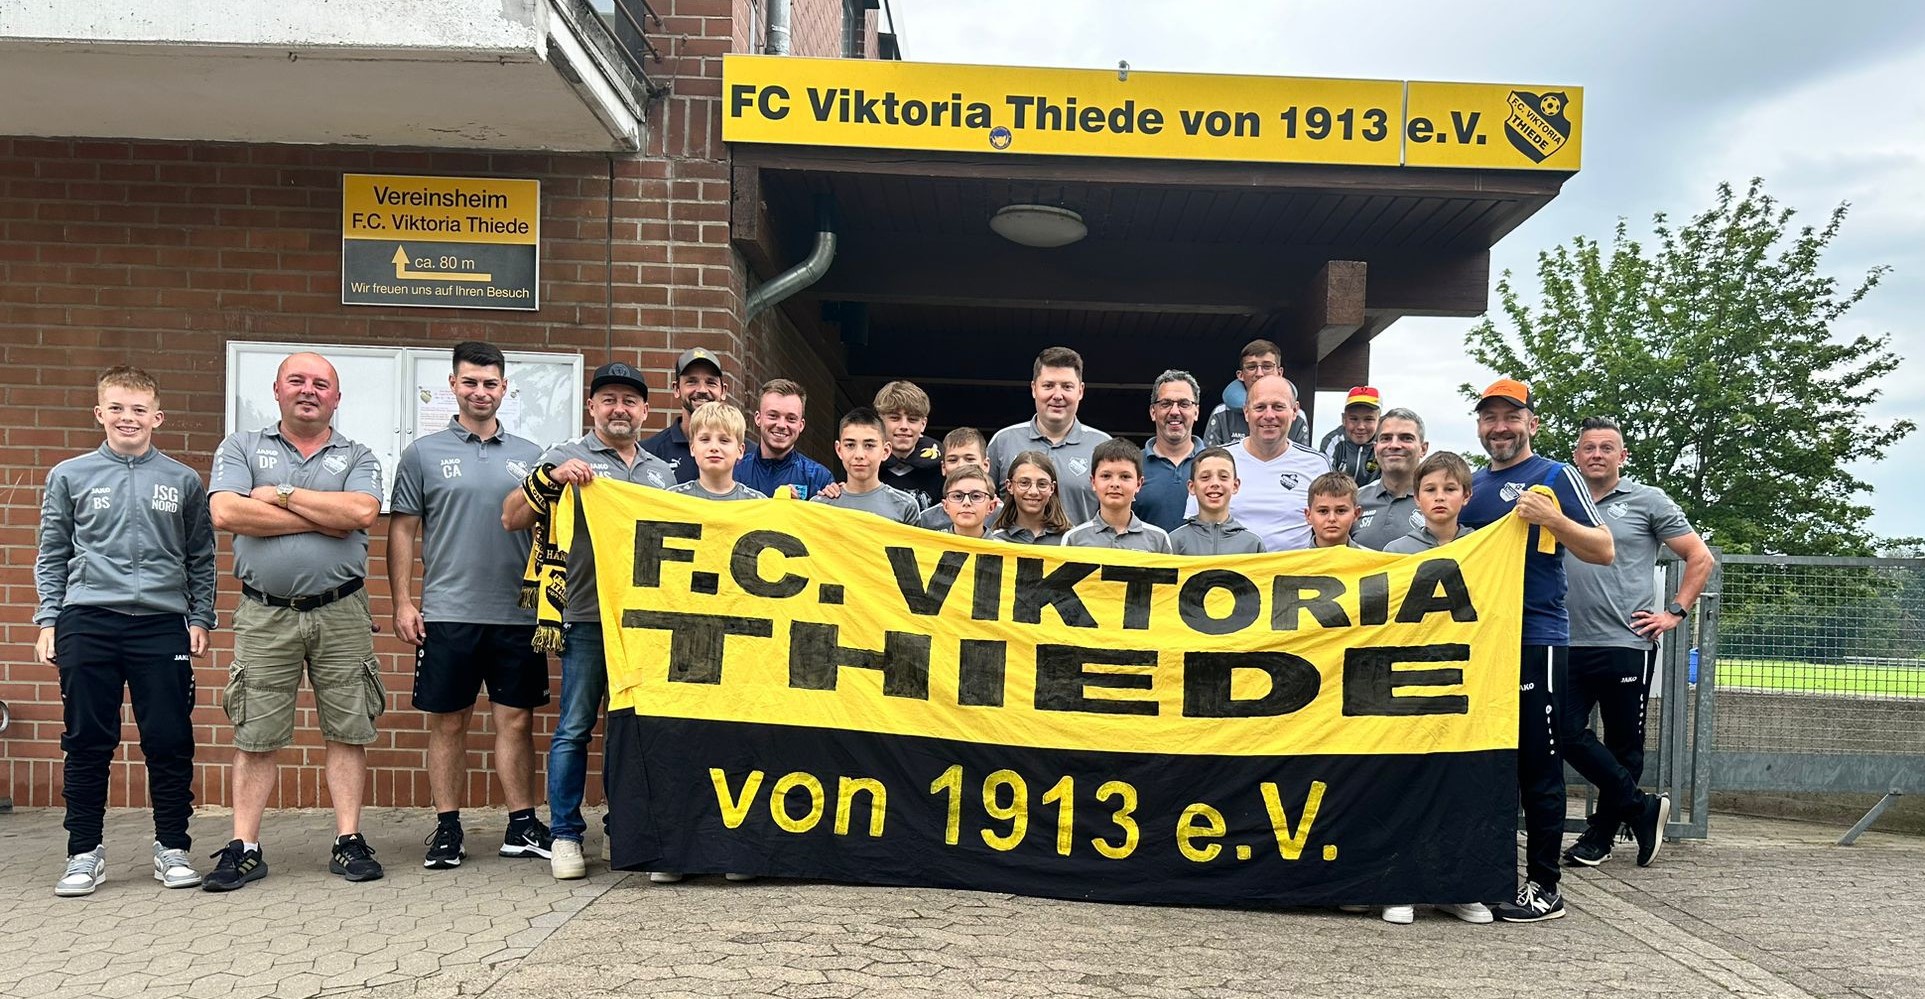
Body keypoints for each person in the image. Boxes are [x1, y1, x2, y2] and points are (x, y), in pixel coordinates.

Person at [205, 352, 385, 890]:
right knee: (256, 734)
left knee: (348, 730)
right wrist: (319, 512)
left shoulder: (359, 454)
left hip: (343, 610)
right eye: (298, 381)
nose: (309, 390)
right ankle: (245, 847)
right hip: (265, 613)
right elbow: (226, 513)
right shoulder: (241, 446)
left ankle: (348, 840)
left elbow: (359, 515)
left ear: (336, 396)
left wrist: (279, 495)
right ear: (278, 389)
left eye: (321, 383)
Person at [36, 366, 215, 897]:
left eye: (138, 409)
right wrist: (49, 619)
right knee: (88, 742)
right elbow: (52, 553)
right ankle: (83, 854)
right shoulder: (70, 475)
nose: (127, 418)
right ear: (99, 413)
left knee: (168, 739)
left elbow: (200, 555)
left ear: (157, 417)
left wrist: (200, 617)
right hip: (87, 621)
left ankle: (173, 848)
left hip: (161, 625)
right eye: (116, 407)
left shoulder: (182, 479)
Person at [504, 361, 674, 880]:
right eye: (609, 399)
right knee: (575, 728)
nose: (619, 408)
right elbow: (511, 516)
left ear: (645, 410)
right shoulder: (562, 457)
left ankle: (631, 829)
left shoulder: (660, 473)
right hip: (583, 614)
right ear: (592, 407)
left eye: (629, 400)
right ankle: (565, 835)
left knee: (637, 731)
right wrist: (550, 480)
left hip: (644, 623)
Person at [1457, 378, 1617, 923]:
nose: (1500, 427)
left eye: (1510, 416)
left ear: (1532, 422)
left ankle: (1546, 886)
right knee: (1490, 763)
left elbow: (1603, 549)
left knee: (1539, 764)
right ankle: (1491, 874)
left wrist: (1553, 520)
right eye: (1489, 418)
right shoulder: (1471, 485)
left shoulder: (1555, 476)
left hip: (1536, 639)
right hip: (1482, 643)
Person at [389, 342, 552, 872]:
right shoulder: (422, 454)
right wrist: (403, 602)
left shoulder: (532, 455)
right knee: (448, 724)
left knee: (516, 722)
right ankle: (448, 828)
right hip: (447, 612)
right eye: (469, 383)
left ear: (505, 389)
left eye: (490, 384)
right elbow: (404, 531)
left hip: (517, 613)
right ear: (453, 387)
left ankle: (522, 826)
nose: (479, 392)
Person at [1561, 416, 1715, 868]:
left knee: (1624, 745)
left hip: (1626, 642)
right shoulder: (1559, 501)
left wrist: (1676, 612)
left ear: (1622, 456)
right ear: (1576, 455)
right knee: (1564, 733)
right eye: (1588, 447)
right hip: (1565, 642)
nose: (1596, 454)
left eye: (1607, 447)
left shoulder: (1647, 501)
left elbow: (1699, 556)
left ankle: (1601, 836)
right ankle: (1642, 807)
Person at [1188, 375, 1327, 552]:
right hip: (1227, 574)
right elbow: (1194, 527)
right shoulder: (1216, 460)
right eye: (1260, 407)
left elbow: (1331, 528)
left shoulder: (1317, 464)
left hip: (1291, 576)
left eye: (1278, 407)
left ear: (1294, 411)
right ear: (1246, 412)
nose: (1269, 415)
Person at [985, 346, 1111, 525]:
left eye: (1067, 387)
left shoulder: (1102, 446)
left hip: (1076, 553)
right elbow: (981, 505)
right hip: (1015, 551)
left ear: (1080, 391)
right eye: (1048, 386)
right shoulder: (1003, 441)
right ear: (1034, 388)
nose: (1057, 395)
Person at [1061, 439, 1172, 553]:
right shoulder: (1074, 539)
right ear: (1093, 482)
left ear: (1138, 484)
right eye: (1106, 476)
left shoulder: (1158, 539)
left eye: (1125, 476)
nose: (1115, 484)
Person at [813, 407, 921, 524]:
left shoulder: (905, 506)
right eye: (850, 445)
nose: (859, 455)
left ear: (885, 451)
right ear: (839, 450)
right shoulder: (819, 505)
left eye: (869, 445)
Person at [1200, 339, 1309, 448]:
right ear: (1240, 375)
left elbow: (1301, 458)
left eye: (1267, 366)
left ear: (1280, 372)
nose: (1259, 374)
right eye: (1251, 367)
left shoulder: (1297, 416)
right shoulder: (1221, 414)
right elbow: (1208, 459)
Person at [735, 378, 833, 499]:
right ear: (758, 418)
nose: (781, 425)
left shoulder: (819, 479)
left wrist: (799, 509)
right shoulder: (734, 472)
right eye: (773, 416)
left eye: (791, 418)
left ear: (801, 425)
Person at [641, 347, 726, 483]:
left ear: (723, 391)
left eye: (711, 382)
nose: (702, 390)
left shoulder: (745, 453)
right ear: (676, 389)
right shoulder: (648, 453)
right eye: (692, 381)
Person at [1352, 408, 1430, 550]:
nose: (1394, 445)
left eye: (1406, 438)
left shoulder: (1437, 501)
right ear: (1376, 449)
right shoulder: (1354, 500)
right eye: (1386, 438)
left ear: (1423, 449)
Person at [1136, 370, 1202, 532]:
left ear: (1196, 412)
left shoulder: (1217, 466)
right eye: (1165, 404)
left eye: (1184, 404)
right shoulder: (1132, 466)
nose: (1174, 411)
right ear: (1153, 412)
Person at [1169, 446, 1263, 556]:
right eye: (1205, 477)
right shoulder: (1174, 542)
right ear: (1192, 487)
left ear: (1235, 485)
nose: (1215, 483)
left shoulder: (1252, 544)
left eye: (1223, 476)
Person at [668, 401, 769, 503]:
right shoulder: (672, 499)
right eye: (705, 439)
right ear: (692, 448)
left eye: (724, 440)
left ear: (740, 450)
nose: (714, 447)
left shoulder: (758, 503)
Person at [1383, 452, 1476, 554]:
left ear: (1466, 496)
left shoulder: (1480, 545)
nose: (1439, 497)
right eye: (1430, 489)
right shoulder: (1396, 551)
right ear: (1417, 498)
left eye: (1449, 489)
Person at [875, 380, 945, 510]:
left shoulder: (941, 468)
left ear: (923, 424)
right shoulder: (863, 463)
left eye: (912, 420)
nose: (904, 426)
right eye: (895, 418)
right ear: (880, 422)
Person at [988, 451, 1072, 545]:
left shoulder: (1070, 539)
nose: (1033, 492)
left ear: (1052, 488)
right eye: (1024, 483)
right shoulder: (996, 540)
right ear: (1009, 486)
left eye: (1042, 484)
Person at [916, 427, 993, 530]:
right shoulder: (927, 519)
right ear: (943, 467)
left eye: (969, 459)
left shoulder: (1003, 515)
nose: (961, 465)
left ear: (986, 465)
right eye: (953, 460)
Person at [1319, 386, 1381, 485]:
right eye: (1354, 419)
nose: (1361, 426)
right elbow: (1326, 483)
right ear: (1343, 419)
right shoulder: (1332, 441)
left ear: (1379, 421)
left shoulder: (1385, 444)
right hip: (1339, 497)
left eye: (1368, 419)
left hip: (1375, 499)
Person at [1304, 472, 1363, 549]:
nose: (1332, 519)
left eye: (1341, 511)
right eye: (1323, 511)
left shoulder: (1371, 560)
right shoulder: (1296, 560)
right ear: (1308, 515)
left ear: (1356, 514)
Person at [938, 466, 997, 539]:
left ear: (991, 507)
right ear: (946, 506)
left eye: (976, 496)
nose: (966, 502)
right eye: (957, 496)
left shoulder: (1005, 549)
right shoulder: (931, 549)